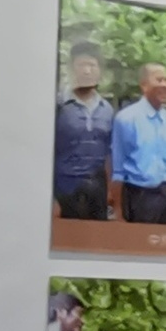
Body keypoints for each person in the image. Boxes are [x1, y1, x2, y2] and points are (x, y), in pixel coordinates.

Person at [107, 60, 166, 225]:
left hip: (164, 196)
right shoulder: (126, 119)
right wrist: (118, 211)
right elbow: (117, 168)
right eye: (159, 80)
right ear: (144, 85)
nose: (165, 85)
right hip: (137, 196)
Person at [52, 45, 116, 222]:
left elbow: (109, 152)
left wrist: (110, 191)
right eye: (81, 65)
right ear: (72, 68)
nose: (87, 71)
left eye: (92, 65)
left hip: (97, 189)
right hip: (65, 188)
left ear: (100, 71)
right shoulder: (58, 105)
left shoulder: (107, 109)